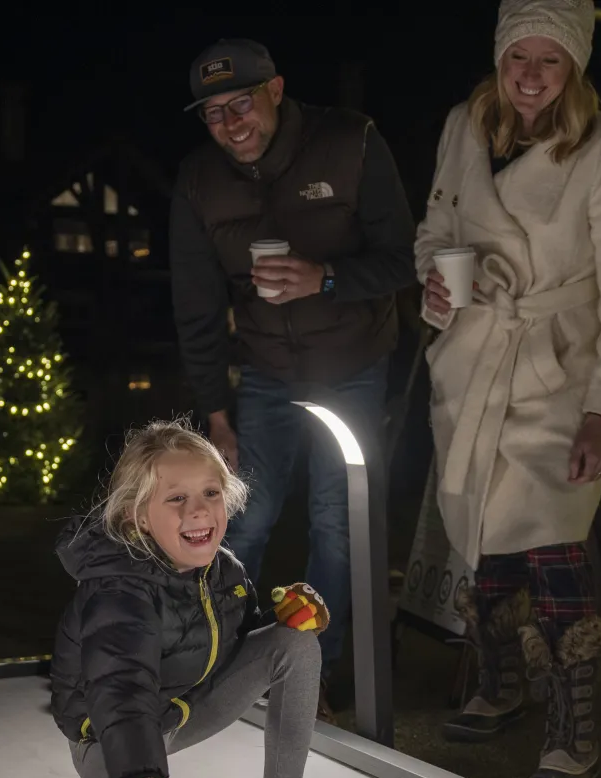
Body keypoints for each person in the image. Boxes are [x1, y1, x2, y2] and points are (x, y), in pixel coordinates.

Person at [413, 0, 601, 778]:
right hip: (473, 357)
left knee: (553, 541)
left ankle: (573, 729)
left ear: (574, 68)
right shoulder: (464, 126)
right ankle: (501, 681)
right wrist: (435, 287)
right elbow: (436, 226)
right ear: (500, 57)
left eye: (550, 61)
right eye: (520, 56)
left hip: (559, 370)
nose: (531, 76)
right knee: (481, 530)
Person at [168, 37, 418, 713]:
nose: (231, 124)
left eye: (241, 104)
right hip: (267, 373)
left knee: (337, 522)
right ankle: (218, 663)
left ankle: (314, 673)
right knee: (245, 519)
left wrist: (325, 278)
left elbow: (404, 258)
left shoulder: (350, 142)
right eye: (213, 112)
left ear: (275, 91)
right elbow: (195, 308)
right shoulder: (198, 180)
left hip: (353, 364)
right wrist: (216, 417)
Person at [51, 419, 329, 778]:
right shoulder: (118, 592)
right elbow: (121, 694)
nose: (199, 510)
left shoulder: (224, 571)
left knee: (296, 643)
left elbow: (230, 641)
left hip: (183, 707)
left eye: (210, 493)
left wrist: (286, 617)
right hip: (109, 731)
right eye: (176, 498)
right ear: (138, 516)